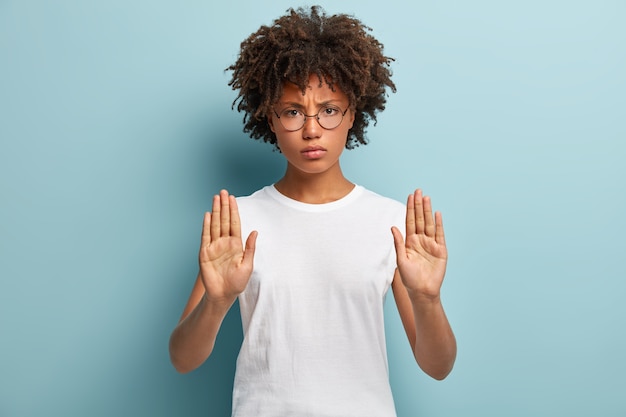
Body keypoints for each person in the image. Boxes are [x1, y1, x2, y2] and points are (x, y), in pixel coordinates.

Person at [169, 6, 456, 416]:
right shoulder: (239, 221)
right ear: (269, 117)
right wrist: (216, 302)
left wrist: (428, 299)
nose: (311, 128)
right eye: (291, 112)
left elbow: (438, 366)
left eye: (329, 109)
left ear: (352, 113)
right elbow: (182, 359)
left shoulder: (391, 223)